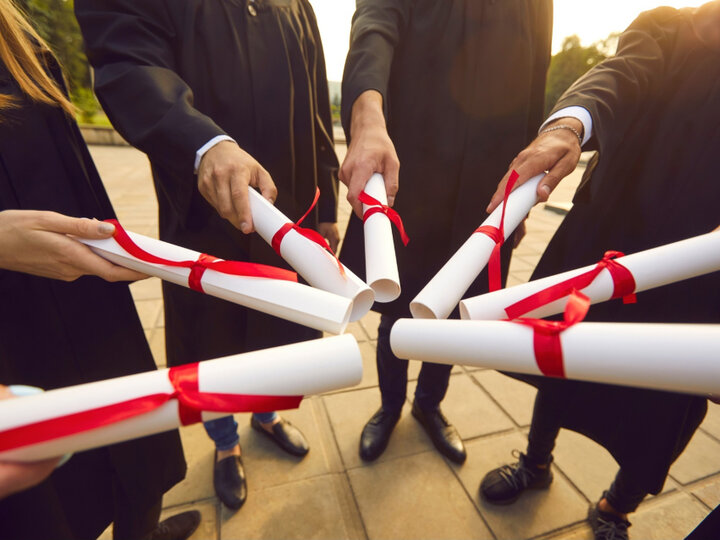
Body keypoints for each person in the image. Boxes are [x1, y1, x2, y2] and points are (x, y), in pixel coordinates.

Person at [75, 0, 340, 511]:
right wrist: (203, 142)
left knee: (276, 334)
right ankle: (225, 443)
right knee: (211, 338)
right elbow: (129, 63)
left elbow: (313, 105)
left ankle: (266, 415)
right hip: (201, 216)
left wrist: (325, 201)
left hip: (286, 218)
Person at [478, 3, 720, 539]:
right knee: (562, 357)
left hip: (701, 272)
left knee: (665, 401)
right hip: (610, 236)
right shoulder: (671, 30)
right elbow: (618, 75)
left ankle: (616, 507)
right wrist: (568, 126)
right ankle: (536, 463)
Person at [0, 2, 198, 538]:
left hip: (87, 294)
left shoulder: (19, 41)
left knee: (133, 446)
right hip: (10, 328)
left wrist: (118, 245)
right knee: (44, 491)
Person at [338, 0, 552, 464]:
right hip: (411, 170)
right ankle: (389, 406)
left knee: (452, 313)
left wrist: (521, 194)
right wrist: (366, 112)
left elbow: (535, 81)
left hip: (486, 186)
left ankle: (428, 406)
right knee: (397, 307)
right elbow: (375, 23)